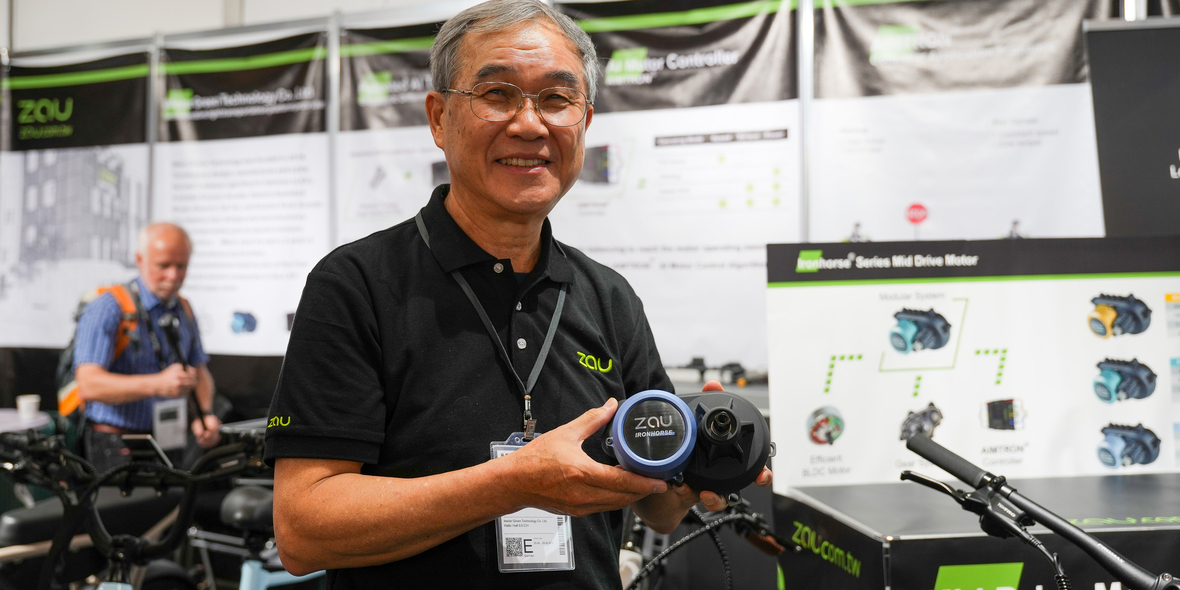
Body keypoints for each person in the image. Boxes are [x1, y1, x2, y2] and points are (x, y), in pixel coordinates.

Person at [264, 1, 771, 588]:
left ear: (584, 121)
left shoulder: (609, 297)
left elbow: (657, 508)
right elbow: (303, 531)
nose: (530, 125)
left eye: (556, 99)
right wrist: (513, 483)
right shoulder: (357, 284)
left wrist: (694, 465)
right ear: (438, 118)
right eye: (497, 94)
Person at [73, 222, 221, 471]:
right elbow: (88, 384)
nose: (173, 276)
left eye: (181, 266)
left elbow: (199, 370)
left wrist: (204, 414)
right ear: (140, 260)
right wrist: (157, 384)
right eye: (163, 265)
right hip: (115, 443)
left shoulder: (184, 307)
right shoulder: (108, 308)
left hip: (170, 439)